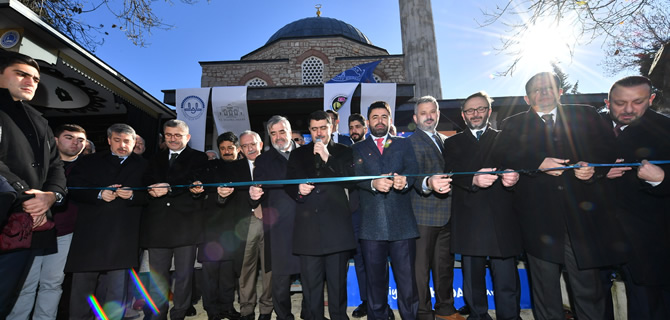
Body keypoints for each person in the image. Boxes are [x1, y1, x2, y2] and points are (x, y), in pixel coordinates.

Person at [490, 72, 629, 320]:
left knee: (589, 290)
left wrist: (594, 167)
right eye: (537, 90)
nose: (543, 93)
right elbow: (501, 155)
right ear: (526, 97)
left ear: (560, 92)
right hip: (538, 223)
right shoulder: (513, 123)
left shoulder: (585, 115)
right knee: (545, 292)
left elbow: (608, 148)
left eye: (549, 88)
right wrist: (537, 162)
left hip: (582, 220)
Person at [443, 92, 522, 320]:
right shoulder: (452, 142)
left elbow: (517, 167)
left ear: (489, 111)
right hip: (469, 220)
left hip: (502, 220)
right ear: (463, 115)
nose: (475, 114)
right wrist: (472, 180)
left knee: (507, 281)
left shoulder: (504, 138)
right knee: (473, 281)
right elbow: (451, 172)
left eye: (480, 109)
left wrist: (513, 177)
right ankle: (478, 316)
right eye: (470, 110)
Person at [0, 51, 67, 318]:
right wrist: (28, 196)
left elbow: (56, 167)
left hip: (26, 227)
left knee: (6, 298)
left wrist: (51, 196)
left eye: (36, 79)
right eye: (21, 74)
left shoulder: (39, 120)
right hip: (10, 211)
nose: (30, 81)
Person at [603, 75, 670, 319]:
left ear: (651, 99)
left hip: (653, 244)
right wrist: (599, 173)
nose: (628, 109)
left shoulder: (666, 129)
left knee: (651, 307)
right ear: (607, 102)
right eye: (620, 103)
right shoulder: (594, 128)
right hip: (602, 240)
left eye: (638, 102)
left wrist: (661, 178)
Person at [65, 123, 148, 320]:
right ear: (109, 140)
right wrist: (100, 194)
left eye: (127, 141)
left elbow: (150, 196)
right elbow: (74, 187)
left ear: (134, 141)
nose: (122, 145)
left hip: (123, 235)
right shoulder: (89, 162)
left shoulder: (145, 165)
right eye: (117, 140)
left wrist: (132, 196)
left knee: (117, 291)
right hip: (90, 234)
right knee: (82, 289)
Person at [351, 101, 423, 320]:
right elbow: (355, 178)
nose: (379, 121)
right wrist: (372, 183)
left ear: (390, 120)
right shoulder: (357, 149)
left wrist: (405, 181)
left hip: (403, 225)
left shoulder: (403, 144)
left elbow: (413, 171)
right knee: (374, 283)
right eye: (375, 117)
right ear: (367, 122)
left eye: (384, 116)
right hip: (372, 227)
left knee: (408, 281)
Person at [7, 124, 86, 320]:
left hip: (65, 233)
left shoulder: (88, 168)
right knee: (25, 283)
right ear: (56, 140)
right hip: (32, 230)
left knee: (52, 283)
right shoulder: (37, 164)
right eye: (69, 137)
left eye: (80, 140)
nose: (75, 143)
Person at [285, 110, 356, 320]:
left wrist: (327, 157)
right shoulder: (298, 153)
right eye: (314, 129)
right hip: (308, 232)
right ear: (309, 130)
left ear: (332, 127)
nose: (319, 133)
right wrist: (298, 188)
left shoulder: (344, 151)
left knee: (337, 287)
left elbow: (351, 181)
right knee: (311, 289)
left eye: (323, 128)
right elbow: (288, 183)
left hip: (337, 230)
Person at [141, 119, 209, 320]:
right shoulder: (154, 158)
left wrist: (169, 187)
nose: (173, 139)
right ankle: (157, 314)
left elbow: (196, 181)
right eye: (169, 135)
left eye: (177, 135)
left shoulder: (198, 158)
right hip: (158, 227)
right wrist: (150, 190)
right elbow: (145, 181)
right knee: (158, 277)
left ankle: (179, 313)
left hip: (185, 227)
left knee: (184, 276)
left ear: (187, 137)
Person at [406, 96, 461, 320]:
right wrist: (428, 182)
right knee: (420, 270)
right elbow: (412, 175)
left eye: (432, 112)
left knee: (444, 267)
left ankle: (445, 309)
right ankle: (423, 313)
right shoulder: (409, 142)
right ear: (415, 118)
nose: (428, 116)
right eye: (423, 113)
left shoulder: (446, 141)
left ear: (438, 114)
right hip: (422, 215)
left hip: (447, 215)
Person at [249, 116, 302, 320]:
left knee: (310, 272)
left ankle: (309, 312)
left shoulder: (305, 154)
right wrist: (253, 196)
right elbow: (257, 188)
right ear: (268, 136)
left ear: (290, 132)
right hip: (278, 224)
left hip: (307, 222)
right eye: (273, 133)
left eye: (282, 132)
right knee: (279, 276)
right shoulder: (263, 160)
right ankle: (283, 316)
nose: (278, 137)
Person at [196, 131, 248, 320]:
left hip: (233, 229)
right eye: (223, 148)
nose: (226, 151)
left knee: (228, 274)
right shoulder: (210, 167)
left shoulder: (245, 168)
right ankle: (211, 310)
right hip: (211, 227)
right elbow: (200, 193)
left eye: (230, 148)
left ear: (237, 149)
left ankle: (227, 307)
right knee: (210, 273)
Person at [237, 131, 273, 320]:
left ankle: (266, 310)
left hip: (269, 221)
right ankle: (246, 310)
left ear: (260, 144)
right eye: (245, 146)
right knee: (246, 268)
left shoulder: (271, 163)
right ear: (240, 149)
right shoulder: (236, 168)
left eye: (253, 144)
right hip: (245, 223)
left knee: (269, 268)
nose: (249, 148)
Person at [347, 113, 368, 317]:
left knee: (377, 259)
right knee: (360, 259)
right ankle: (366, 301)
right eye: (351, 127)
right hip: (354, 213)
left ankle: (382, 303)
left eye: (357, 127)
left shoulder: (374, 148)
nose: (354, 130)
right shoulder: (347, 152)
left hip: (374, 212)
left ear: (365, 127)